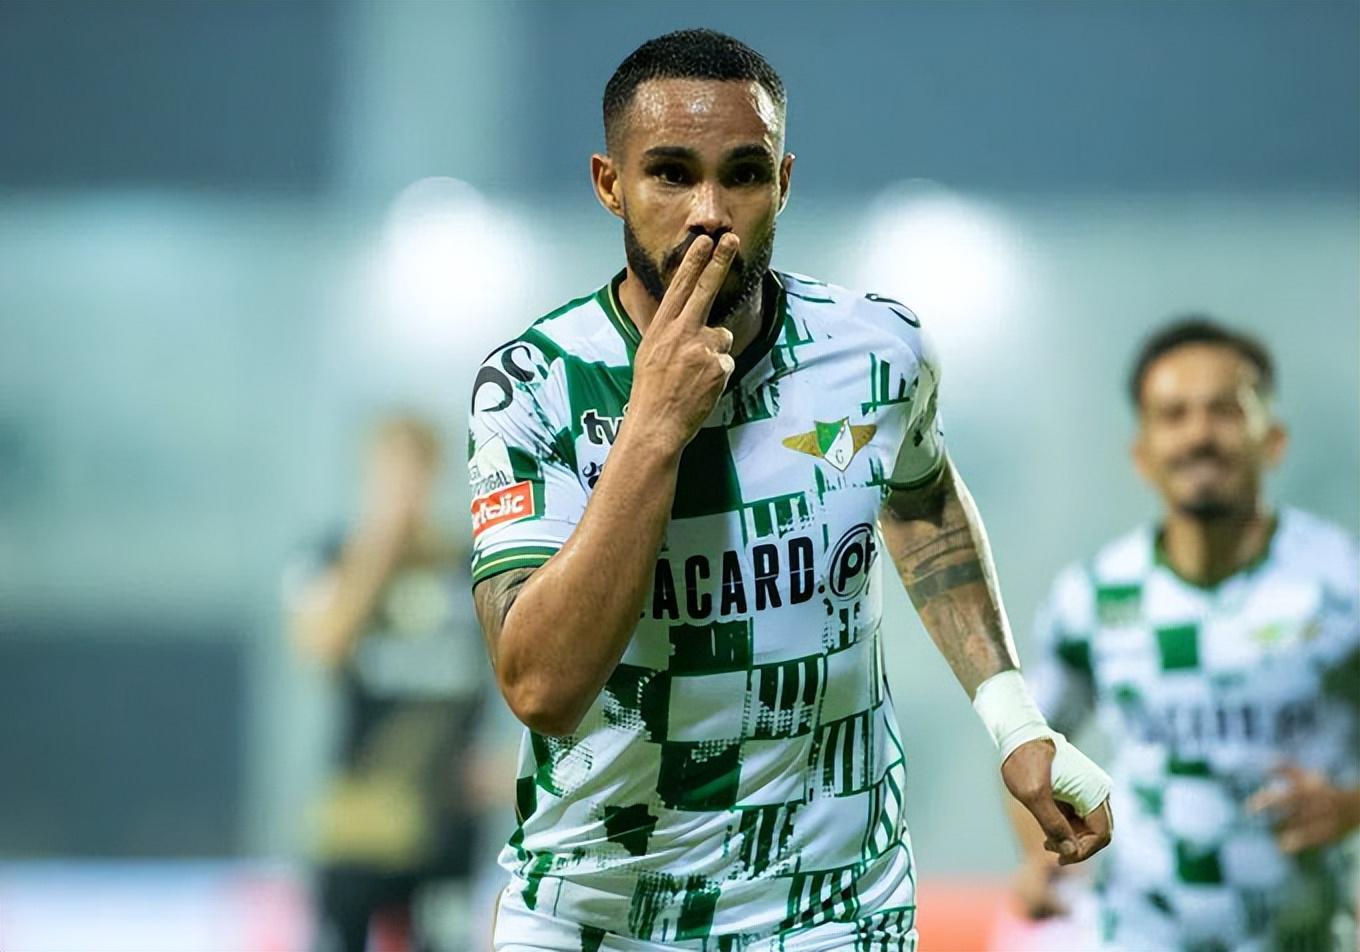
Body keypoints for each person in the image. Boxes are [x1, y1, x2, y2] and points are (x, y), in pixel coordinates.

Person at [469, 29, 1112, 951]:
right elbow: (542, 686)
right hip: (598, 908)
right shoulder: (534, 384)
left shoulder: (877, 352)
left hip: (832, 911)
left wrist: (1014, 721)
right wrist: (654, 425)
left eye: (743, 174)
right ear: (610, 184)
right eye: (670, 174)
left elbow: (923, 503)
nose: (709, 213)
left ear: (784, 182)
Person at [1012, 318, 1360, 950]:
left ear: (1273, 439)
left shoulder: (1343, 583)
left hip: (1305, 936)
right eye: (1173, 415)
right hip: (1136, 935)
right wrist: (1039, 855)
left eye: (1225, 411)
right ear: (1142, 453)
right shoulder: (1093, 597)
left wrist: (1352, 806)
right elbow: (1027, 742)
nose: (1199, 435)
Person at [287, 416, 488, 952]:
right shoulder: (329, 557)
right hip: (360, 817)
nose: (403, 490)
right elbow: (319, 645)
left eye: (414, 474)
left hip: (445, 812)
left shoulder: (465, 565)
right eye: (390, 474)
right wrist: (378, 550)